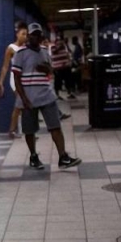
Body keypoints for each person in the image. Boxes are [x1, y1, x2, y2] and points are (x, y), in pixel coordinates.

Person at [12, 24, 82, 171]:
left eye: (38, 35)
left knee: (55, 126)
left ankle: (63, 157)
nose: (35, 37)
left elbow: (50, 70)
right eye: (32, 35)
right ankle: (33, 156)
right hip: (29, 98)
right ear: (28, 36)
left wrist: (47, 69)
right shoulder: (20, 53)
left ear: (41, 37)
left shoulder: (44, 51)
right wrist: (24, 99)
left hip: (46, 95)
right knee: (30, 130)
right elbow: (17, 78)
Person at [0, 22, 28, 139]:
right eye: (23, 34)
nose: (25, 36)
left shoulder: (27, 48)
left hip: (25, 79)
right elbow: (5, 66)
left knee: (20, 105)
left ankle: (14, 130)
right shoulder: (11, 48)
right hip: (15, 79)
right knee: (21, 103)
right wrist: (1, 82)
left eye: (26, 34)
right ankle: (16, 130)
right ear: (17, 34)